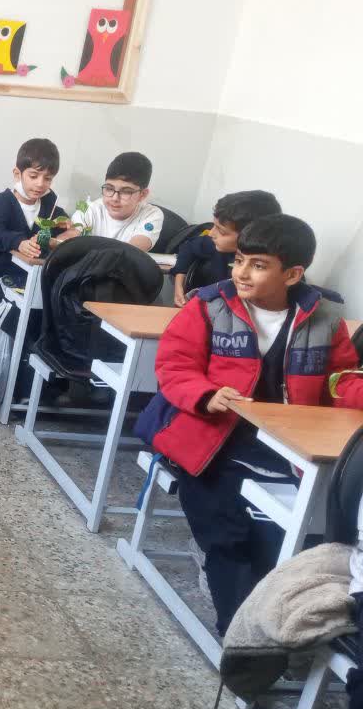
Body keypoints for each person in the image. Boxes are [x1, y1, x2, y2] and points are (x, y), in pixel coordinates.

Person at [135, 214, 363, 635]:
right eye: (239, 260)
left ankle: (273, 622)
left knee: (287, 539)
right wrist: (206, 394)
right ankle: (240, 634)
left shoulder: (325, 318)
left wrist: (355, 391)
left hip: (284, 446)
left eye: (258, 265)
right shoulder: (208, 305)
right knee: (227, 534)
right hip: (210, 442)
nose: (241, 272)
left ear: (292, 274)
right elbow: (174, 366)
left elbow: (339, 378)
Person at [0, 138, 68, 307]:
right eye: (33, 176)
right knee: (19, 315)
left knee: (54, 309)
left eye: (48, 179)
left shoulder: (49, 204)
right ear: (18, 174)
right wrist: (19, 242)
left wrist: (67, 228)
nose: (40, 184)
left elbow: (64, 224)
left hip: (32, 280)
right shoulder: (1, 202)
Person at [170, 190, 281, 307]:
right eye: (214, 226)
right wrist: (179, 283)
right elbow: (188, 247)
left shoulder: (268, 269)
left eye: (222, 231)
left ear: (250, 236)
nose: (211, 233)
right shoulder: (216, 245)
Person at [64, 151, 162, 251]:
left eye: (126, 192)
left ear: (142, 195)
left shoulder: (151, 214)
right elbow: (67, 241)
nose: (115, 198)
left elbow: (131, 251)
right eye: (109, 188)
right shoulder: (89, 210)